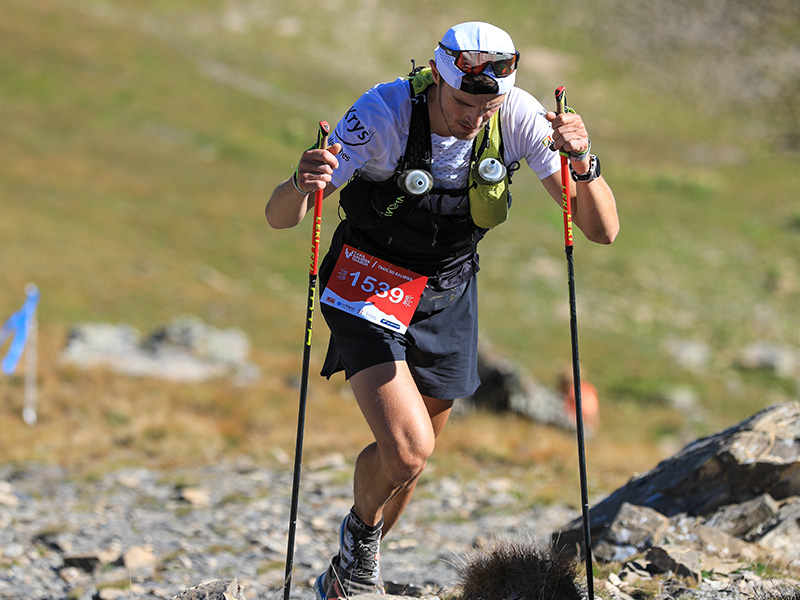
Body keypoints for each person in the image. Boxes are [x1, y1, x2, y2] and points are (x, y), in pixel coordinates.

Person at [265, 21, 619, 599]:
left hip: (448, 291)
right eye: (462, 102)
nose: (475, 116)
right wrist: (301, 183)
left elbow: (602, 230)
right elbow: (280, 217)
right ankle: (358, 556)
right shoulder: (382, 113)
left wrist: (582, 160)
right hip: (367, 280)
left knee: (410, 462)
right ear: (436, 77)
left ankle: (349, 566)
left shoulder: (519, 115)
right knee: (409, 450)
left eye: (488, 105)